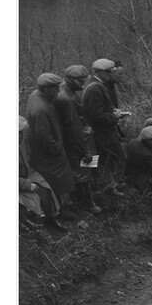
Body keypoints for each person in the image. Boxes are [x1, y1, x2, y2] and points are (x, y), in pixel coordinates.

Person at [25, 73, 76, 216]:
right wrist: (57, 149)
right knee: (58, 179)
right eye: (55, 88)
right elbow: (44, 137)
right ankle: (61, 209)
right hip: (48, 153)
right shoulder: (40, 108)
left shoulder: (37, 96)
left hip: (43, 150)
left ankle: (62, 206)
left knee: (57, 178)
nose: (58, 92)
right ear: (46, 89)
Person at [55, 65, 102, 214]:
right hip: (78, 142)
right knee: (83, 172)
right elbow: (74, 128)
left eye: (84, 80)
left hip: (80, 138)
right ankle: (87, 203)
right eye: (80, 81)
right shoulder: (68, 99)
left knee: (84, 170)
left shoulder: (69, 92)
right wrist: (85, 150)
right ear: (70, 79)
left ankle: (85, 200)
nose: (83, 84)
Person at [82, 59, 127, 196]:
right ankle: (108, 188)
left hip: (104, 131)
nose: (110, 74)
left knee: (108, 159)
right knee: (107, 159)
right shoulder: (94, 89)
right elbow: (96, 116)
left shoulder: (98, 85)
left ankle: (111, 185)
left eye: (111, 72)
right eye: (108, 72)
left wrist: (112, 111)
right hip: (101, 133)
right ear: (98, 72)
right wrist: (114, 117)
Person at [19, 115, 67, 232]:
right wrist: (27, 185)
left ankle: (52, 217)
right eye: (18, 133)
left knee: (45, 187)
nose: (21, 136)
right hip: (19, 182)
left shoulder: (22, 142)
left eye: (21, 132)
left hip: (27, 174)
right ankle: (28, 224)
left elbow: (28, 160)